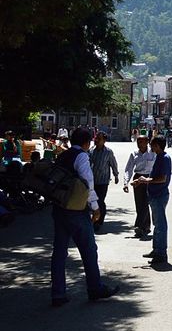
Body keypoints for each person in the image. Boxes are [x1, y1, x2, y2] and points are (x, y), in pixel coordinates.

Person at [50, 128, 119, 307]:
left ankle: (58, 294)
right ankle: (95, 288)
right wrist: (96, 208)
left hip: (59, 208)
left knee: (59, 253)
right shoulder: (81, 156)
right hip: (76, 210)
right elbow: (87, 183)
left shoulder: (63, 155)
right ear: (87, 142)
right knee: (89, 250)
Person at [133, 136, 171, 264]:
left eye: (153, 146)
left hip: (160, 195)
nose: (152, 148)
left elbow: (162, 178)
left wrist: (146, 180)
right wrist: (141, 180)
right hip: (154, 194)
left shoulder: (164, 158)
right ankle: (156, 250)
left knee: (160, 225)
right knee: (157, 225)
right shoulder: (159, 157)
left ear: (158, 146)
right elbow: (154, 175)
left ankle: (161, 253)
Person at [123, 136, 156, 238]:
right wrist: (126, 183)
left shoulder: (153, 153)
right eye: (138, 141)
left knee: (145, 203)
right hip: (137, 179)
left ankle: (140, 226)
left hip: (148, 179)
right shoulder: (134, 154)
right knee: (139, 203)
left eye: (142, 141)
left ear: (147, 142)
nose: (139, 143)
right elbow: (129, 168)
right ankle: (145, 226)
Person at [88, 132, 119, 232]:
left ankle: (99, 221)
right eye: (96, 138)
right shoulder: (91, 151)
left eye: (99, 139)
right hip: (92, 181)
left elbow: (113, 163)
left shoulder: (108, 152)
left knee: (99, 201)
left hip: (103, 181)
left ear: (104, 141)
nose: (96, 140)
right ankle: (94, 219)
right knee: (92, 201)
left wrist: (116, 175)